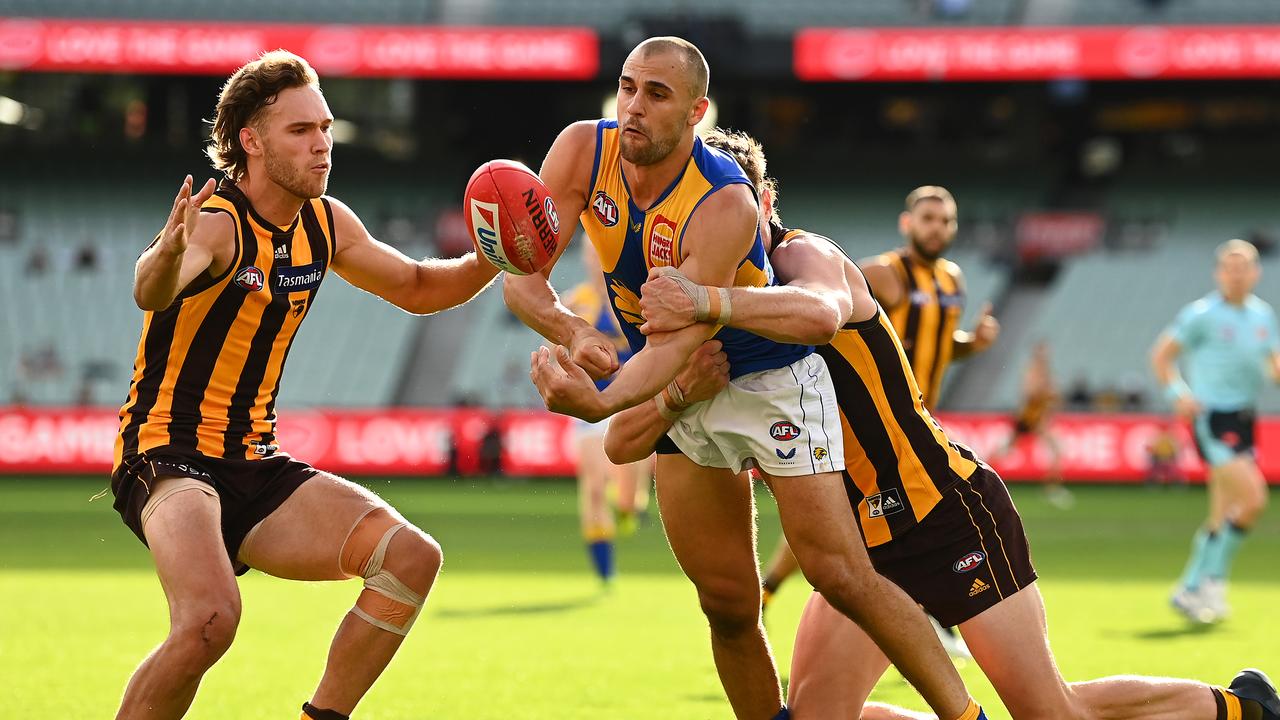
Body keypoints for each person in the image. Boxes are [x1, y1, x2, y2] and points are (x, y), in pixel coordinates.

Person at [630, 127, 1280, 720]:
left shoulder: (805, 260)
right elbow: (634, 426)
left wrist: (709, 302)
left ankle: (1237, 708)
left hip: (942, 512)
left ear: (763, 203)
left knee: (1051, 714)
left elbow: (821, 311)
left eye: (734, 205)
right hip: (855, 548)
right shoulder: (701, 315)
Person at [508, 36, 984, 720]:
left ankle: (968, 717)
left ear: (697, 113)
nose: (634, 106)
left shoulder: (725, 203)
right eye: (628, 86)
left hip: (765, 382)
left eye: (658, 94)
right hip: (678, 376)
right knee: (727, 604)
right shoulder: (585, 149)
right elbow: (522, 279)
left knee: (839, 575)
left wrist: (604, 398)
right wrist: (577, 333)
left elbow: (683, 343)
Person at [109, 51, 501, 720]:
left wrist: (498, 253)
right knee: (209, 619)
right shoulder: (215, 224)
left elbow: (415, 286)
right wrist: (166, 253)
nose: (322, 144)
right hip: (166, 455)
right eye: (301, 131)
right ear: (250, 142)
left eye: (325, 126)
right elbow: (152, 288)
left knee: (409, 558)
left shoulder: (324, 223)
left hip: (253, 462)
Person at [760, 185, 999, 657]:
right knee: (851, 518)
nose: (938, 228)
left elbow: (941, 342)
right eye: (928, 219)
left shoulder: (951, 280)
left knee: (870, 516)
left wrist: (975, 344)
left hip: (917, 418)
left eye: (946, 220)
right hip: (871, 421)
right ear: (907, 224)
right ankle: (920, 614)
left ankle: (921, 612)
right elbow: (841, 326)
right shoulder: (883, 275)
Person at [1152, 238, 1280, 624]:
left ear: (1256, 273)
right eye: (1230, 267)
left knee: (1221, 513)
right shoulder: (1201, 314)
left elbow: (1273, 364)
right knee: (1254, 498)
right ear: (1219, 273)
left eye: (1244, 267)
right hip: (1212, 419)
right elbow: (1161, 355)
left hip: (1244, 418)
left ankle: (1192, 588)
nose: (1237, 274)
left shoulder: (1262, 315)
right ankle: (1209, 584)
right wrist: (1179, 393)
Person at [561, 249, 653, 585]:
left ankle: (630, 508)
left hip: (629, 401)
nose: (592, 261)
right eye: (588, 255)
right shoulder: (576, 301)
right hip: (590, 403)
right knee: (594, 486)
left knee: (625, 494)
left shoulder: (630, 296)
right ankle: (605, 572)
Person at [991, 340, 1074, 509]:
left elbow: (1055, 398)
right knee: (1005, 450)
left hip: (1039, 419)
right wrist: (1046, 391)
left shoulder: (1046, 373)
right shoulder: (1032, 372)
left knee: (1056, 450)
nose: (1045, 356)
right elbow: (1029, 393)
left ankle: (1052, 489)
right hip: (1027, 418)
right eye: (1043, 352)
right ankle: (980, 476)